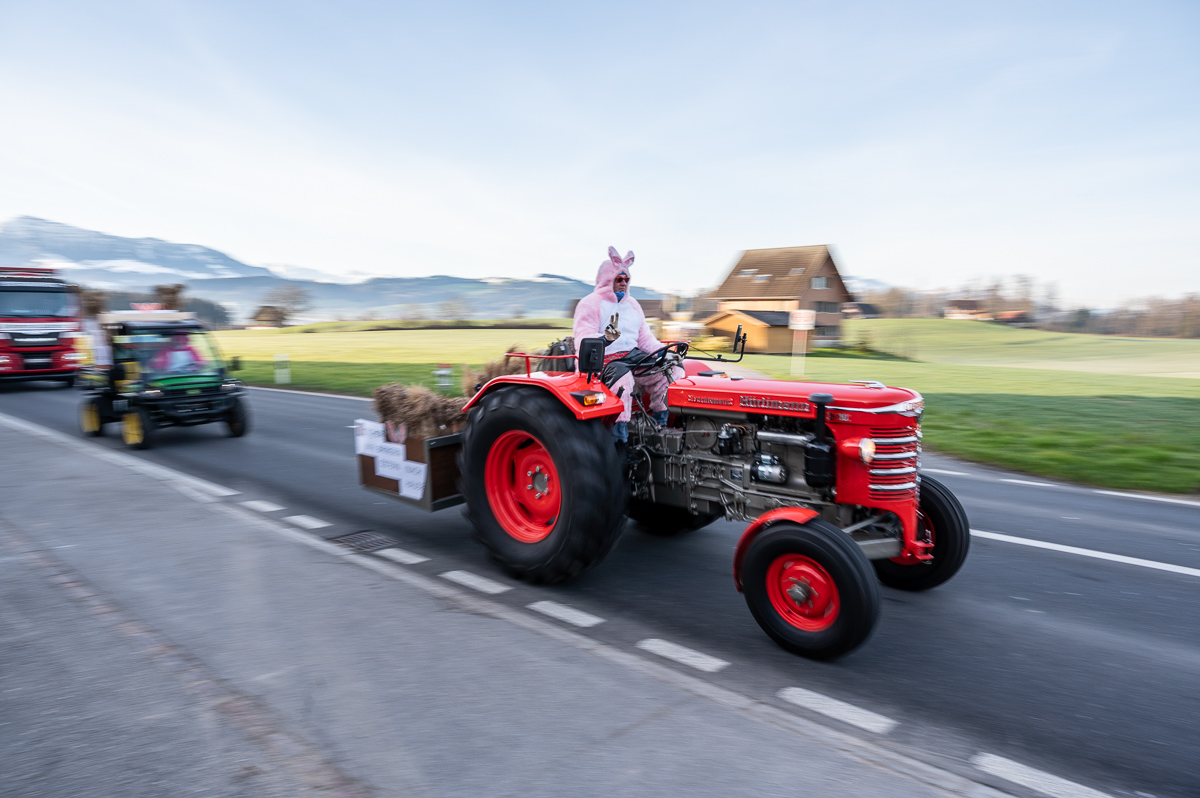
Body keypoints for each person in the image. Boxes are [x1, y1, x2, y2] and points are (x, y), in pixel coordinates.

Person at [573, 246, 680, 444]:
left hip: (631, 356)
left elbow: (645, 338)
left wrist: (664, 354)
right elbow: (583, 338)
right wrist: (605, 338)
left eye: (626, 279)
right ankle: (619, 440)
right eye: (619, 279)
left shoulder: (632, 305)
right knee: (623, 379)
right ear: (608, 280)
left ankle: (660, 425)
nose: (623, 283)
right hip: (601, 360)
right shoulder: (590, 303)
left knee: (669, 370)